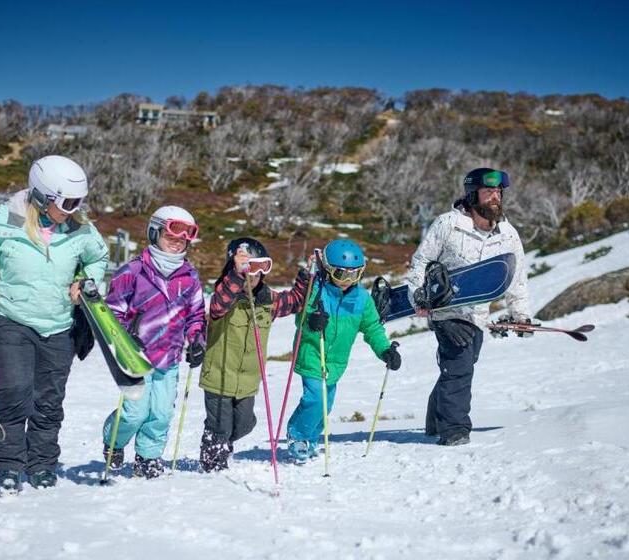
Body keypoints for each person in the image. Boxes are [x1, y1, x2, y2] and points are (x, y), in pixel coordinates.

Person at [0, 155, 109, 494]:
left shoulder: (80, 227)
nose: (74, 210)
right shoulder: (4, 222)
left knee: (49, 400)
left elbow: (98, 258)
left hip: (59, 326)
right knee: (16, 391)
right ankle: (7, 464)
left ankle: (42, 464)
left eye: (79, 202)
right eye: (67, 203)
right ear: (42, 195)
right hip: (11, 321)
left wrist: (86, 281)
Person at [408, 167, 531, 447]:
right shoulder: (448, 225)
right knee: (460, 366)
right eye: (488, 192)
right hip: (446, 311)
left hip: (478, 315)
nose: (495, 197)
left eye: (498, 192)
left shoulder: (507, 233)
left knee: (460, 365)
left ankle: (435, 419)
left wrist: (520, 314)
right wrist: (418, 297)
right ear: (473, 194)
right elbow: (421, 262)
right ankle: (454, 429)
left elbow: (517, 276)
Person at [101, 205, 206, 479]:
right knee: (134, 413)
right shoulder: (133, 272)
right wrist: (125, 336)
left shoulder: (190, 277)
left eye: (184, 237)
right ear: (154, 232)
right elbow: (111, 312)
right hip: (135, 356)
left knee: (161, 413)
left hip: (169, 357)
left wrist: (196, 339)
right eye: (171, 234)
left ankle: (148, 457)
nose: (177, 241)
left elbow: (196, 315)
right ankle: (113, 441)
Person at [198, 238, 311, 472]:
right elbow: (218, 305)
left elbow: (296, 301)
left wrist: (306, 275)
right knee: (220, 426)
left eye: (259, 268)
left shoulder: (268, 301)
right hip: (219, 377)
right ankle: (212, 464)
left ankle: (222, 441)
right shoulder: (224, 298)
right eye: (247, 269)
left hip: (248, 381)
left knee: (245, 424)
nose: (253, 275)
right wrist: (236, 275)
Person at [286, 239, 401, 464]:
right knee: (315, 398)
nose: (347, 281)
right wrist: (311, 321)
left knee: (326, 405)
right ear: (329, 270)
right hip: (312, 353)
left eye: (354, 275)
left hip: (336, 363)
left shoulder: (362, 299)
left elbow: (372, 328)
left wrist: (385, 350)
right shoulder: (315, 290)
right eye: (341, 274)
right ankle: (297, 436)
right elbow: (300, 320)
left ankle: (311, 437)